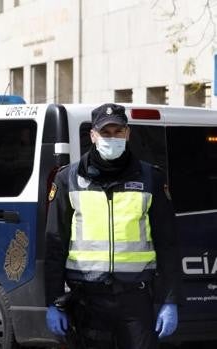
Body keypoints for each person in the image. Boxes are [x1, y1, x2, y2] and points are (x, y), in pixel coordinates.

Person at [44, 103, 180, 349]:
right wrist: (53, 302)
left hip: (136, 299)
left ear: (128, 134)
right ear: (93, 135)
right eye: (105, 133)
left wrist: (170, 301)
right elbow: (55, 244)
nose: (112, 138)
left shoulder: (150, 178)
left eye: (118, 132)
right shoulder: (68, 179)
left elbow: (167, 243)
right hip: (86, 301)